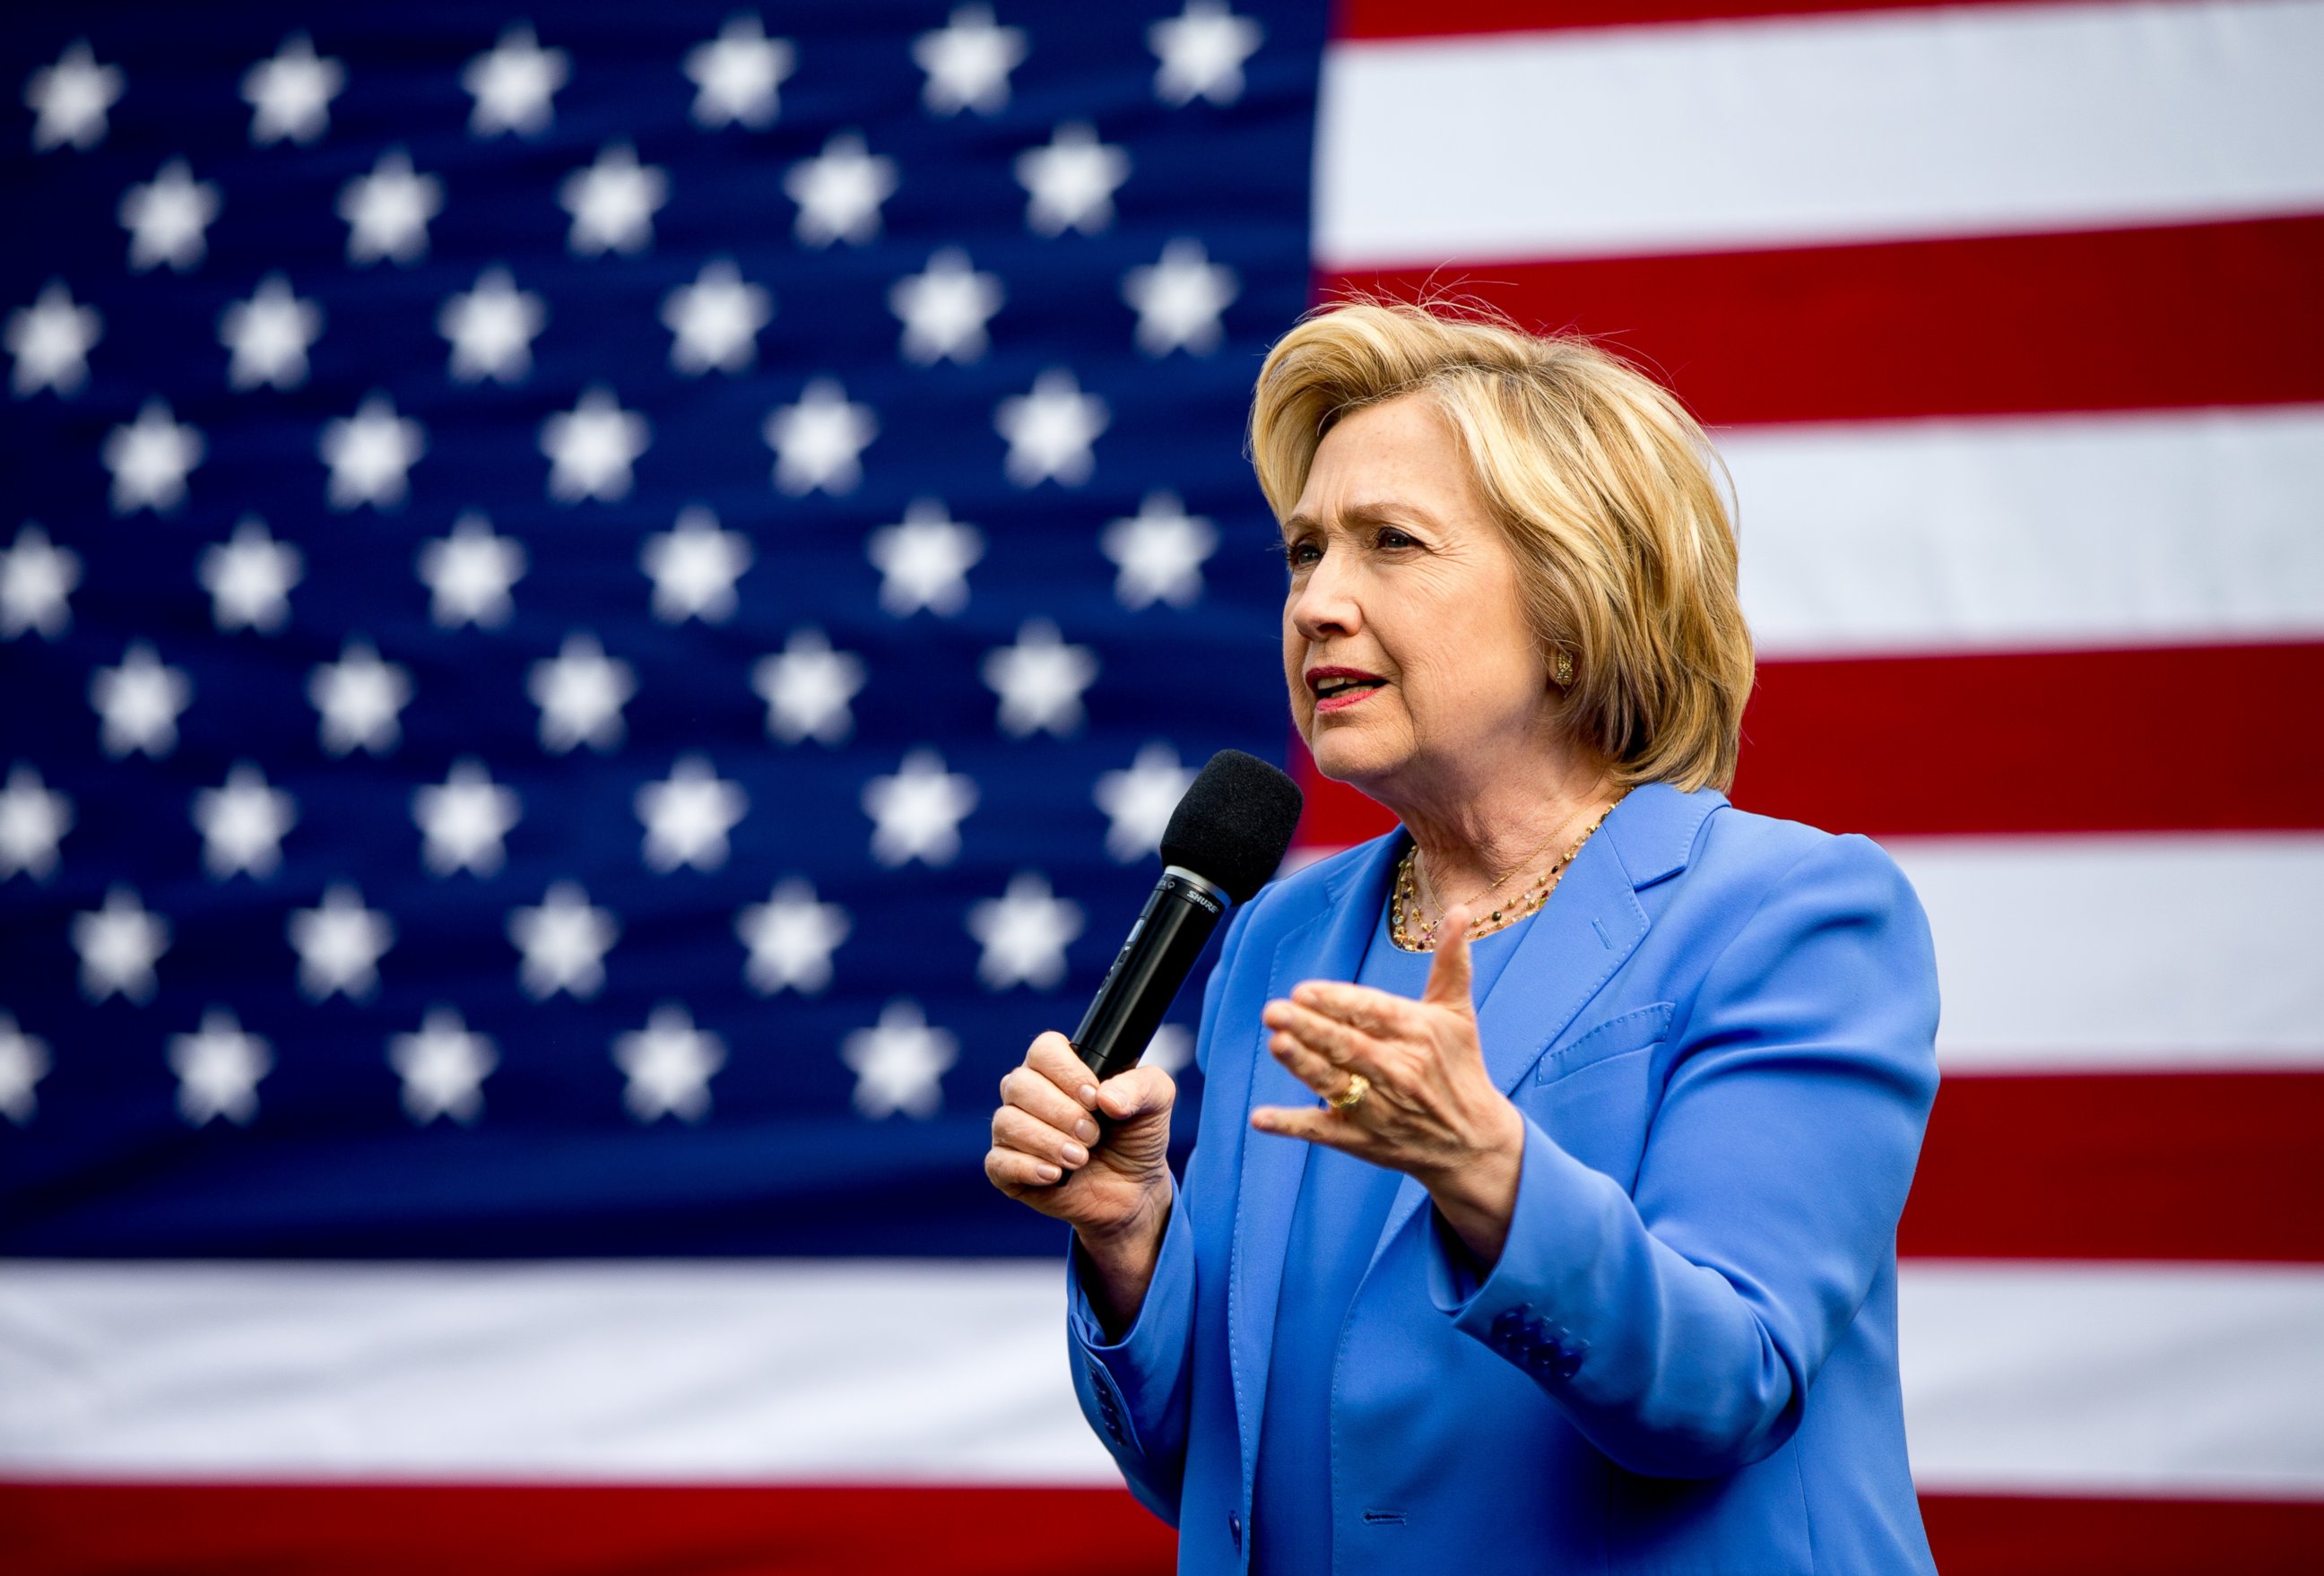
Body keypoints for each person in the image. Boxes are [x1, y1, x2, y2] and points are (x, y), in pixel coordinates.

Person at [985, 300, 1941, 1574]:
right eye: (1304, 550)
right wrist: (1129, 1236)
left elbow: (1729, 1384)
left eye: (1391, 543)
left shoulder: (1790, 914)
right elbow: (1217, 1474)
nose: (1319, 601)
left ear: (1573, 604)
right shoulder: (1281, 936)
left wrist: (1489, 1171)